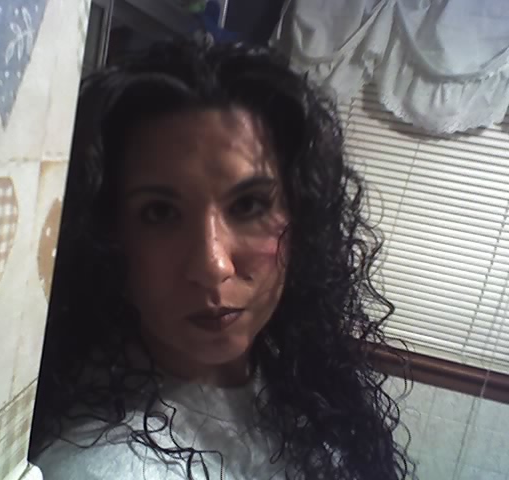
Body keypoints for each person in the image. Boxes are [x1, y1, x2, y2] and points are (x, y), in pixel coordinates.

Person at [30, 39, 416, 480]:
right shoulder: (103, 467)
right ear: (109, 236)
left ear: (301, 218)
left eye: (249, 205)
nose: (213, 266)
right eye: (159, 213)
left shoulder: (295, 379)